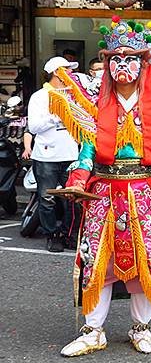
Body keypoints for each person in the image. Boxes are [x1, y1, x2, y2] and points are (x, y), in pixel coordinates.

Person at [49, 16, 151, 356]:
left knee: (147, 259)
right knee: (97, 262)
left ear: (143, 63)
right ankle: (93, 331)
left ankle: (141, 328)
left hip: (145, 196)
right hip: (103, 195)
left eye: (130, 58)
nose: (122, 65)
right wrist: (76, 180)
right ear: (107, 64)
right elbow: (87, 151)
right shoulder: (96, 104)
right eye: (115, 58)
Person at [27, 56, 79, 252]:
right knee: (47, 199)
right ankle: (52, 234)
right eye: (68, 69)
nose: (71, 73)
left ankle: (69, 234)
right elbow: (34, 126)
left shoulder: (73, 95)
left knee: (73, 198)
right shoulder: (39, 97)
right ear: (57, 72)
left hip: (71, 154)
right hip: (46, 156)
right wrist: (57, 115)